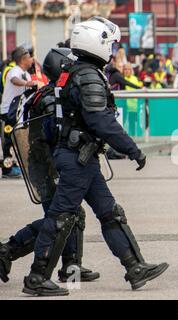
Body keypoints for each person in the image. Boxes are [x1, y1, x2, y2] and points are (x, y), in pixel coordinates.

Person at [22, 17, 168, 297]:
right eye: (109, 43)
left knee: (110, 213)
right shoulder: (87, 74)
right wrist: (132, 148)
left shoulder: (80, 70)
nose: (112, 50)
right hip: (78, 158)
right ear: (96, 42)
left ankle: (135, 267)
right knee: (61, 218)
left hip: (82, 159)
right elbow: (101, 120)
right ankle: (37, 276)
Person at [0, 48, 100, 285]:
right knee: (61, 217)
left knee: (71, 214)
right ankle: (8, 250)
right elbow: (52, 136)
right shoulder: (48, 97)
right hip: (46, 164)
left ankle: (71, 267)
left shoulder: (53, 92)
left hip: (46, 163)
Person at [0, 46, 36, 178]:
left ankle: (14, 165)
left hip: (17, 111)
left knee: (17, 139)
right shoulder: (14, 71)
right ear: (23, 59)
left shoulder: (25, 73)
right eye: (30, 57)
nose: (32, 59)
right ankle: (7, 169)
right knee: (9, 140)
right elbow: (14, 81)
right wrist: (28, 83)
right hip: (8, 112)